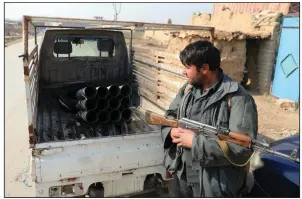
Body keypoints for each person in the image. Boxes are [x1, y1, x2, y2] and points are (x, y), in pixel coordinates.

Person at [161, 40, 258, 197]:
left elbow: (241, 149)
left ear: (204, 68)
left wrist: (195, 142)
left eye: (187, 67)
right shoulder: (188, 88)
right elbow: (170, 115)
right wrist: (171, 131)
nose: (183, 72)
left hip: (213, 186)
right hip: (182, 176)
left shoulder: (239, 99)